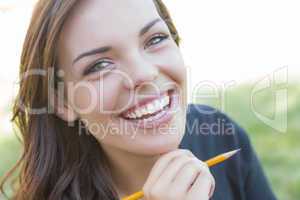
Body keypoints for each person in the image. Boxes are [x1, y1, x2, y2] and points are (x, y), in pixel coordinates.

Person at [0, 0, 277, 199]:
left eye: (155, 39)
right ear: (62, 102)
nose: (144, 74)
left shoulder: (221, 134)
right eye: (100, 65)